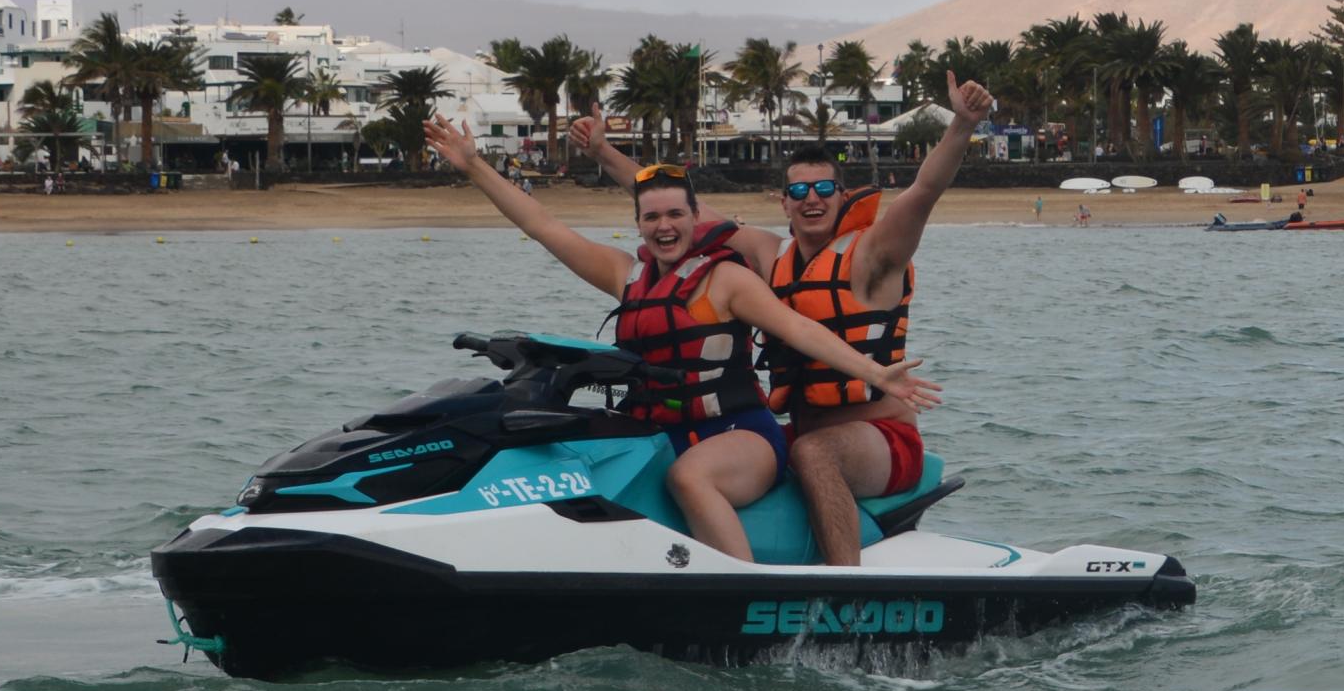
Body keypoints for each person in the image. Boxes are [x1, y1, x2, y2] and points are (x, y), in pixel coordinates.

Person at [423, 116, 937, 562]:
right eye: (652, 217)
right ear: (639, 225)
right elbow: (543, 226)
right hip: (663, 427)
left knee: (690, 478)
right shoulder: (626, 275)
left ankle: (742, 587)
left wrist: (875, 373)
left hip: (738, 432)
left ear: (697, 220)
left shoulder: (729, 280)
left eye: (676, 215)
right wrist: (474, 166)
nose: (664, 226)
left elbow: (800, 329)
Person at [572, 76, 997, 567]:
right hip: (801, 426)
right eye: (798, 189)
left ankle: (848, 592)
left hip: (881, 438)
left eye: (822, 188)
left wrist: (963, 124)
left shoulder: (874, 255)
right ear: (784, 201)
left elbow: (925, 190)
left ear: (840, 196)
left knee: (813, 454)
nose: (810, 198)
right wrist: (603, 152)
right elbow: (675, 208)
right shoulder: (769, 255)